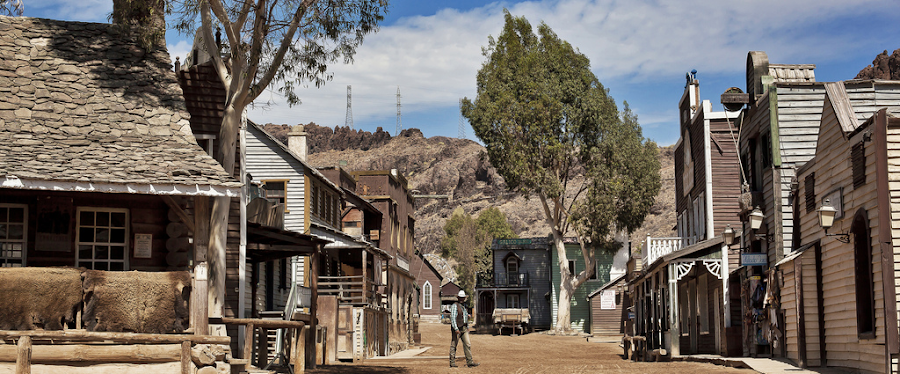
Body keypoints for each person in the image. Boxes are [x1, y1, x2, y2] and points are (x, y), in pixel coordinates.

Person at [449, 290, 479, 368]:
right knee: (454, 345)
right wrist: (456, 329)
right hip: (458, 328)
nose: (462, 299)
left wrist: (467, 326)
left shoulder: (463, 306)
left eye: (463, 298)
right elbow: (452, 318)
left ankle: (470, 362)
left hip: (464, 328)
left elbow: (465, 317)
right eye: (461, 298)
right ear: (458, 298)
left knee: (467, 344)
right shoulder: (455, 306)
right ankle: (452, 363)